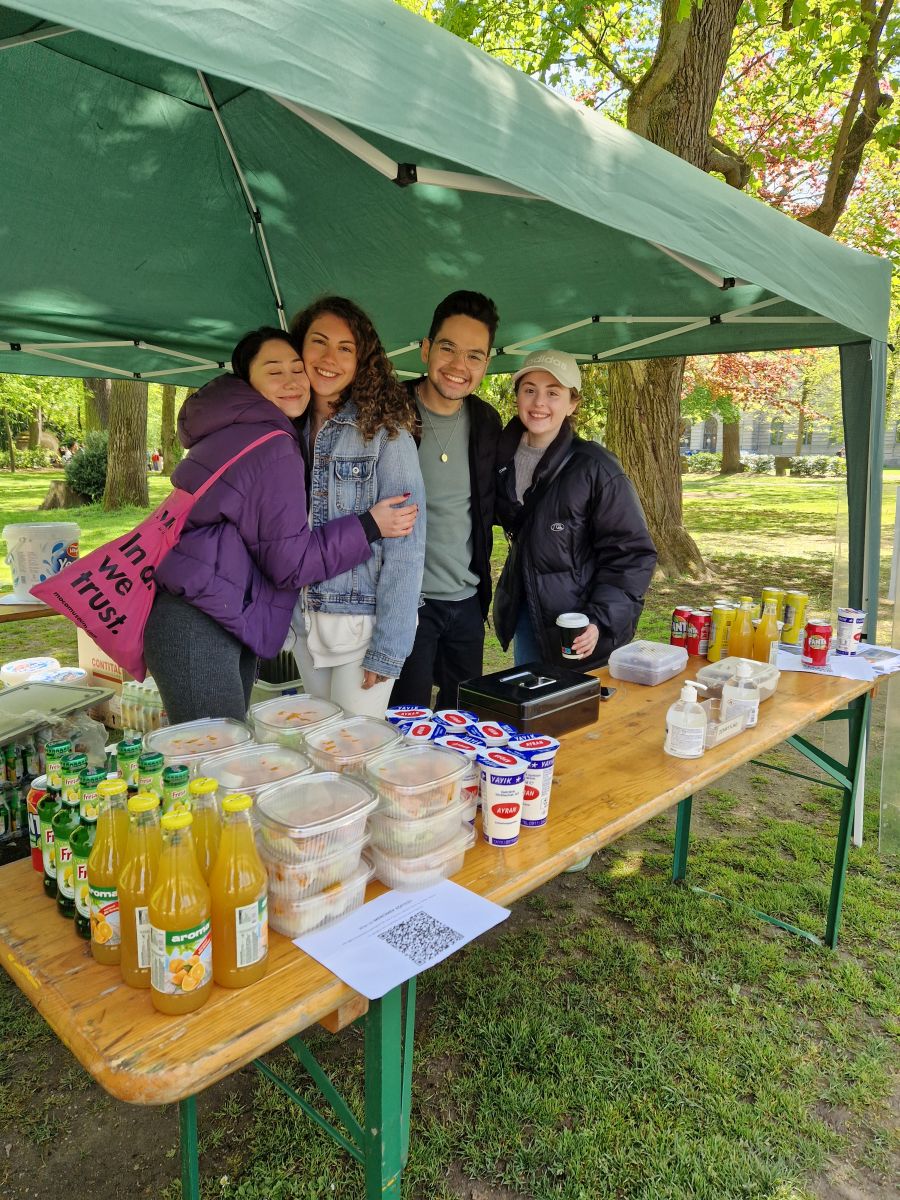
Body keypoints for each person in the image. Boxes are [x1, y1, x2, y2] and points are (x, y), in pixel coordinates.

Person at [145, 327, 418, 724]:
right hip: (202, 618)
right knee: (216, 754)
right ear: (248, 382)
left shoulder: (240, 429)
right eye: (274, 372)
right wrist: (369, 526)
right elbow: (290, 562)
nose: (291, 381)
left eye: (296, 369)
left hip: (212, 612)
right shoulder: (273, 444)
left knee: (223, 747)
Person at [289, 296, 426, 718]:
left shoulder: (386, 433)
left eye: (345, 348)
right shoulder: (284, 429)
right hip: (301, 621)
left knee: (351, 749)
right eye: (319, 342)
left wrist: (389, 647)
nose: (329, 358)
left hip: (360, 626)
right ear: (299, 347)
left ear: (362, 360)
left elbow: (408, 549)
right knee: (314, 744)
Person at [493, 349, 657, 669]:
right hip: (528, 614)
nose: (539, 403)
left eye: (553, 393)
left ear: (572, 403)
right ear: (518, 397)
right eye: (530, 390)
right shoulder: (498, 457)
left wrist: (599, 618)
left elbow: (632, 553)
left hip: (581, 625)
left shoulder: (596, 467)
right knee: (532, 696)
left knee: (581, 701)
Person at [390, 291, 502, 709]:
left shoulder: (487, 421)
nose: (459, 365)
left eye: (474, 356)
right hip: (406, 603)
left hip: (467, 604)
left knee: (463, 723)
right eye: (448, 348)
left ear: (486, 364)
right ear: (426, 349)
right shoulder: (389, 410)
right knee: (407, 724)